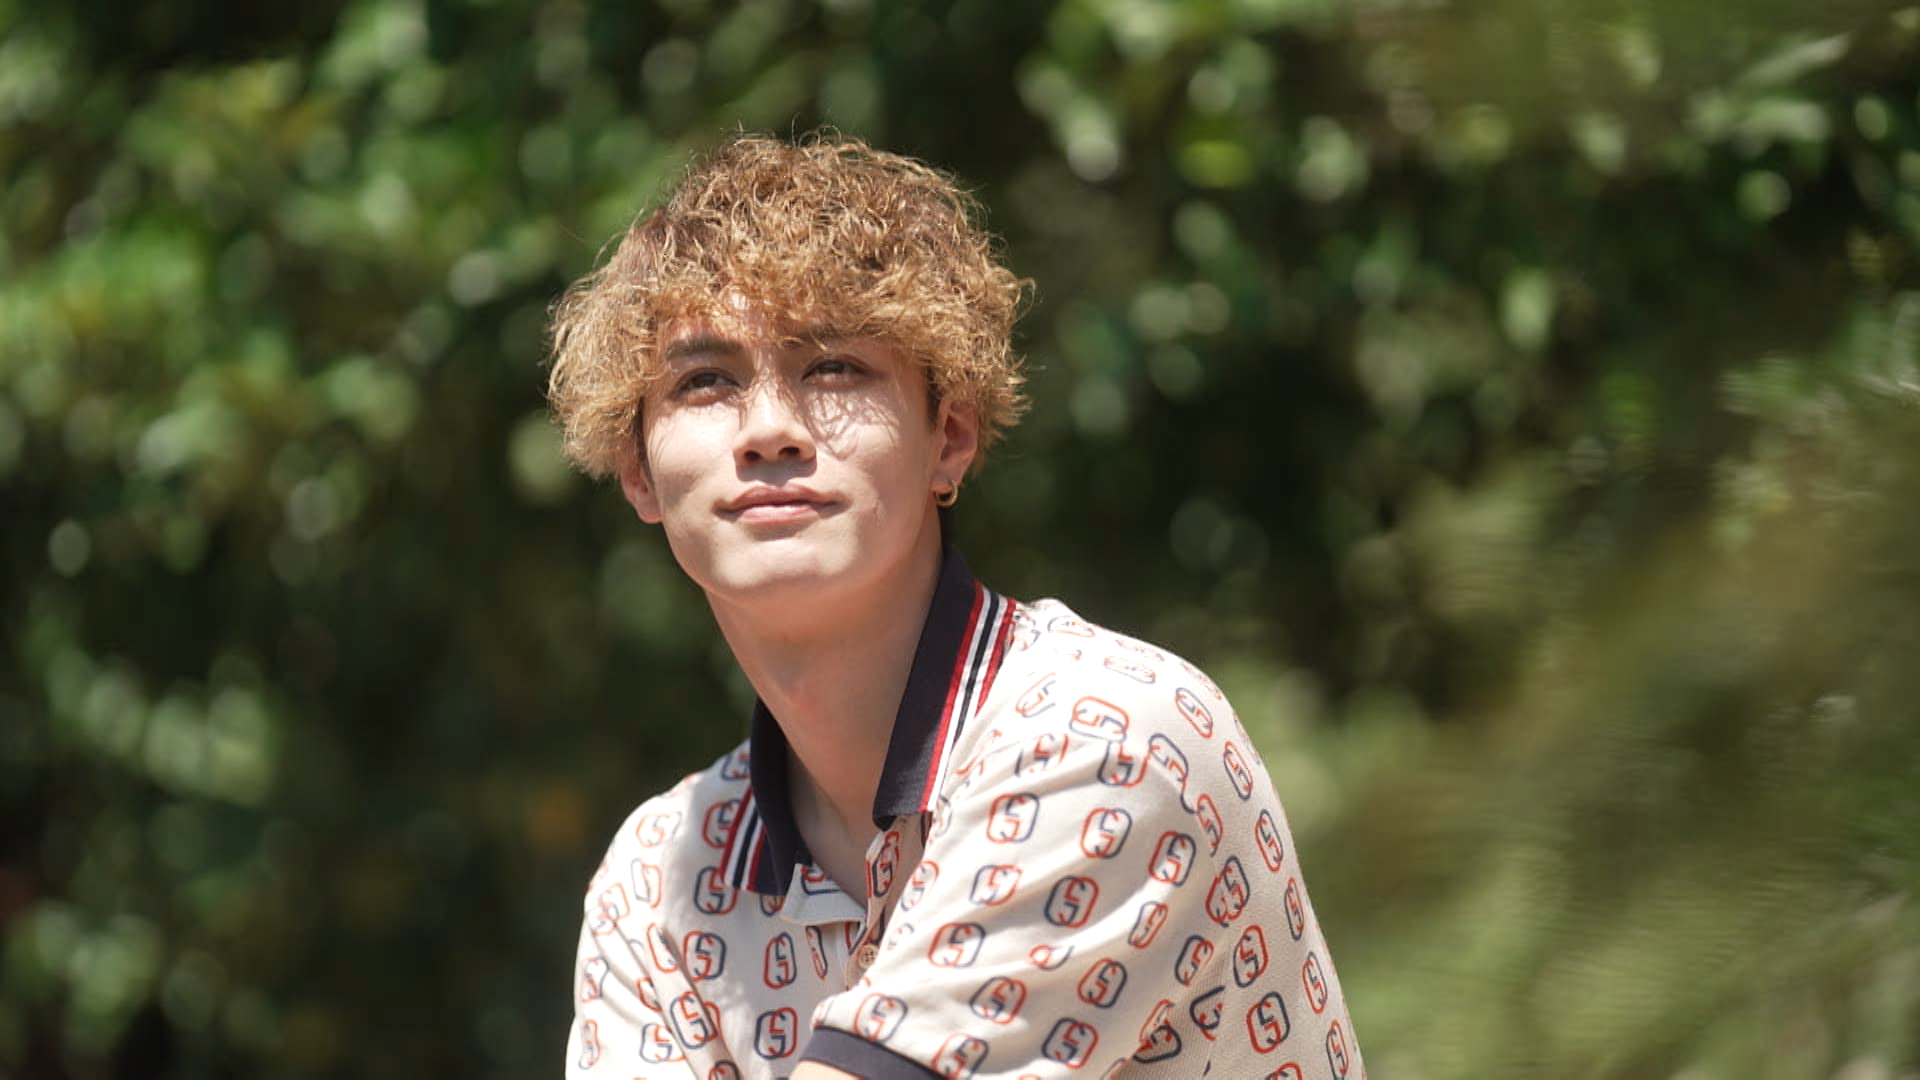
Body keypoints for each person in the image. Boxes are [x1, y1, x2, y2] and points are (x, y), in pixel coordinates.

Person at [547, 132, 1363, 1080]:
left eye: (834, 367)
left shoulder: (1107, 734)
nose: (770, 429)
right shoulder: (660, 880)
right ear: (637, 473)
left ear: (951, 439)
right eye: (705, 381)